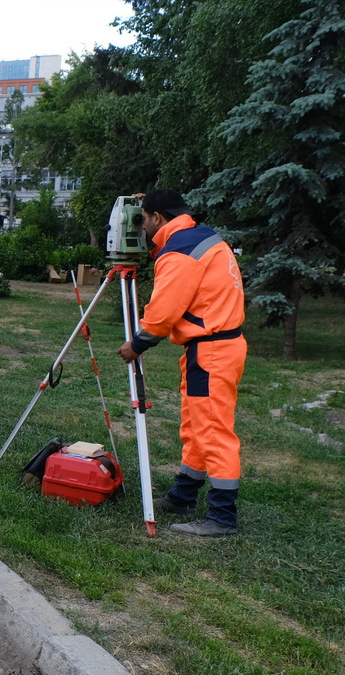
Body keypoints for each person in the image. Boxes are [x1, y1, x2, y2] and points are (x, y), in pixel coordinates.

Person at [117, 189, 246, 537]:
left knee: (214, 432)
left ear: (157, 217)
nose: (140, 228)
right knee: (196, 427)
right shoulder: (198, 237)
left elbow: (163, 312)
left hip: (212, 350)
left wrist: (137, 344)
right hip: (212, 347)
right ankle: (183, 496)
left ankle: (221, 517)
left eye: (143, 219)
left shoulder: (180, 251)